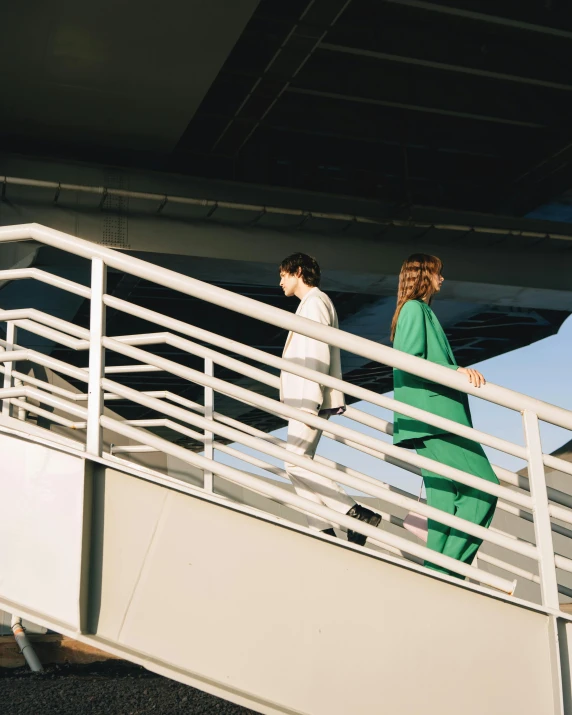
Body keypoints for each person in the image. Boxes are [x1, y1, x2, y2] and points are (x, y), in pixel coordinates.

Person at [391, 253, 498, 576]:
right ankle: (447, 573)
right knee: (483, 489)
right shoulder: (414, 310)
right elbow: (410, 360)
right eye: (438, 273)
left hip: (430, 418)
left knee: (442, 507)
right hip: (434, 418)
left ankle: (434, 577)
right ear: (424, 275)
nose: (442, 279)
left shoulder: (420, 311)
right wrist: (457, 370)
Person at [279, 252, 381, 545]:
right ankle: (322, 527)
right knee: (296, 463)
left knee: (296, 463)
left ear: (298, 271)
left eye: (283, 275)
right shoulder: (311, 304)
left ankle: (352, 513)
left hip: (308, 398)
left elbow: (317, 352)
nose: (280, 282)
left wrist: (310, 401)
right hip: (306, 397)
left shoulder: (315, 303)